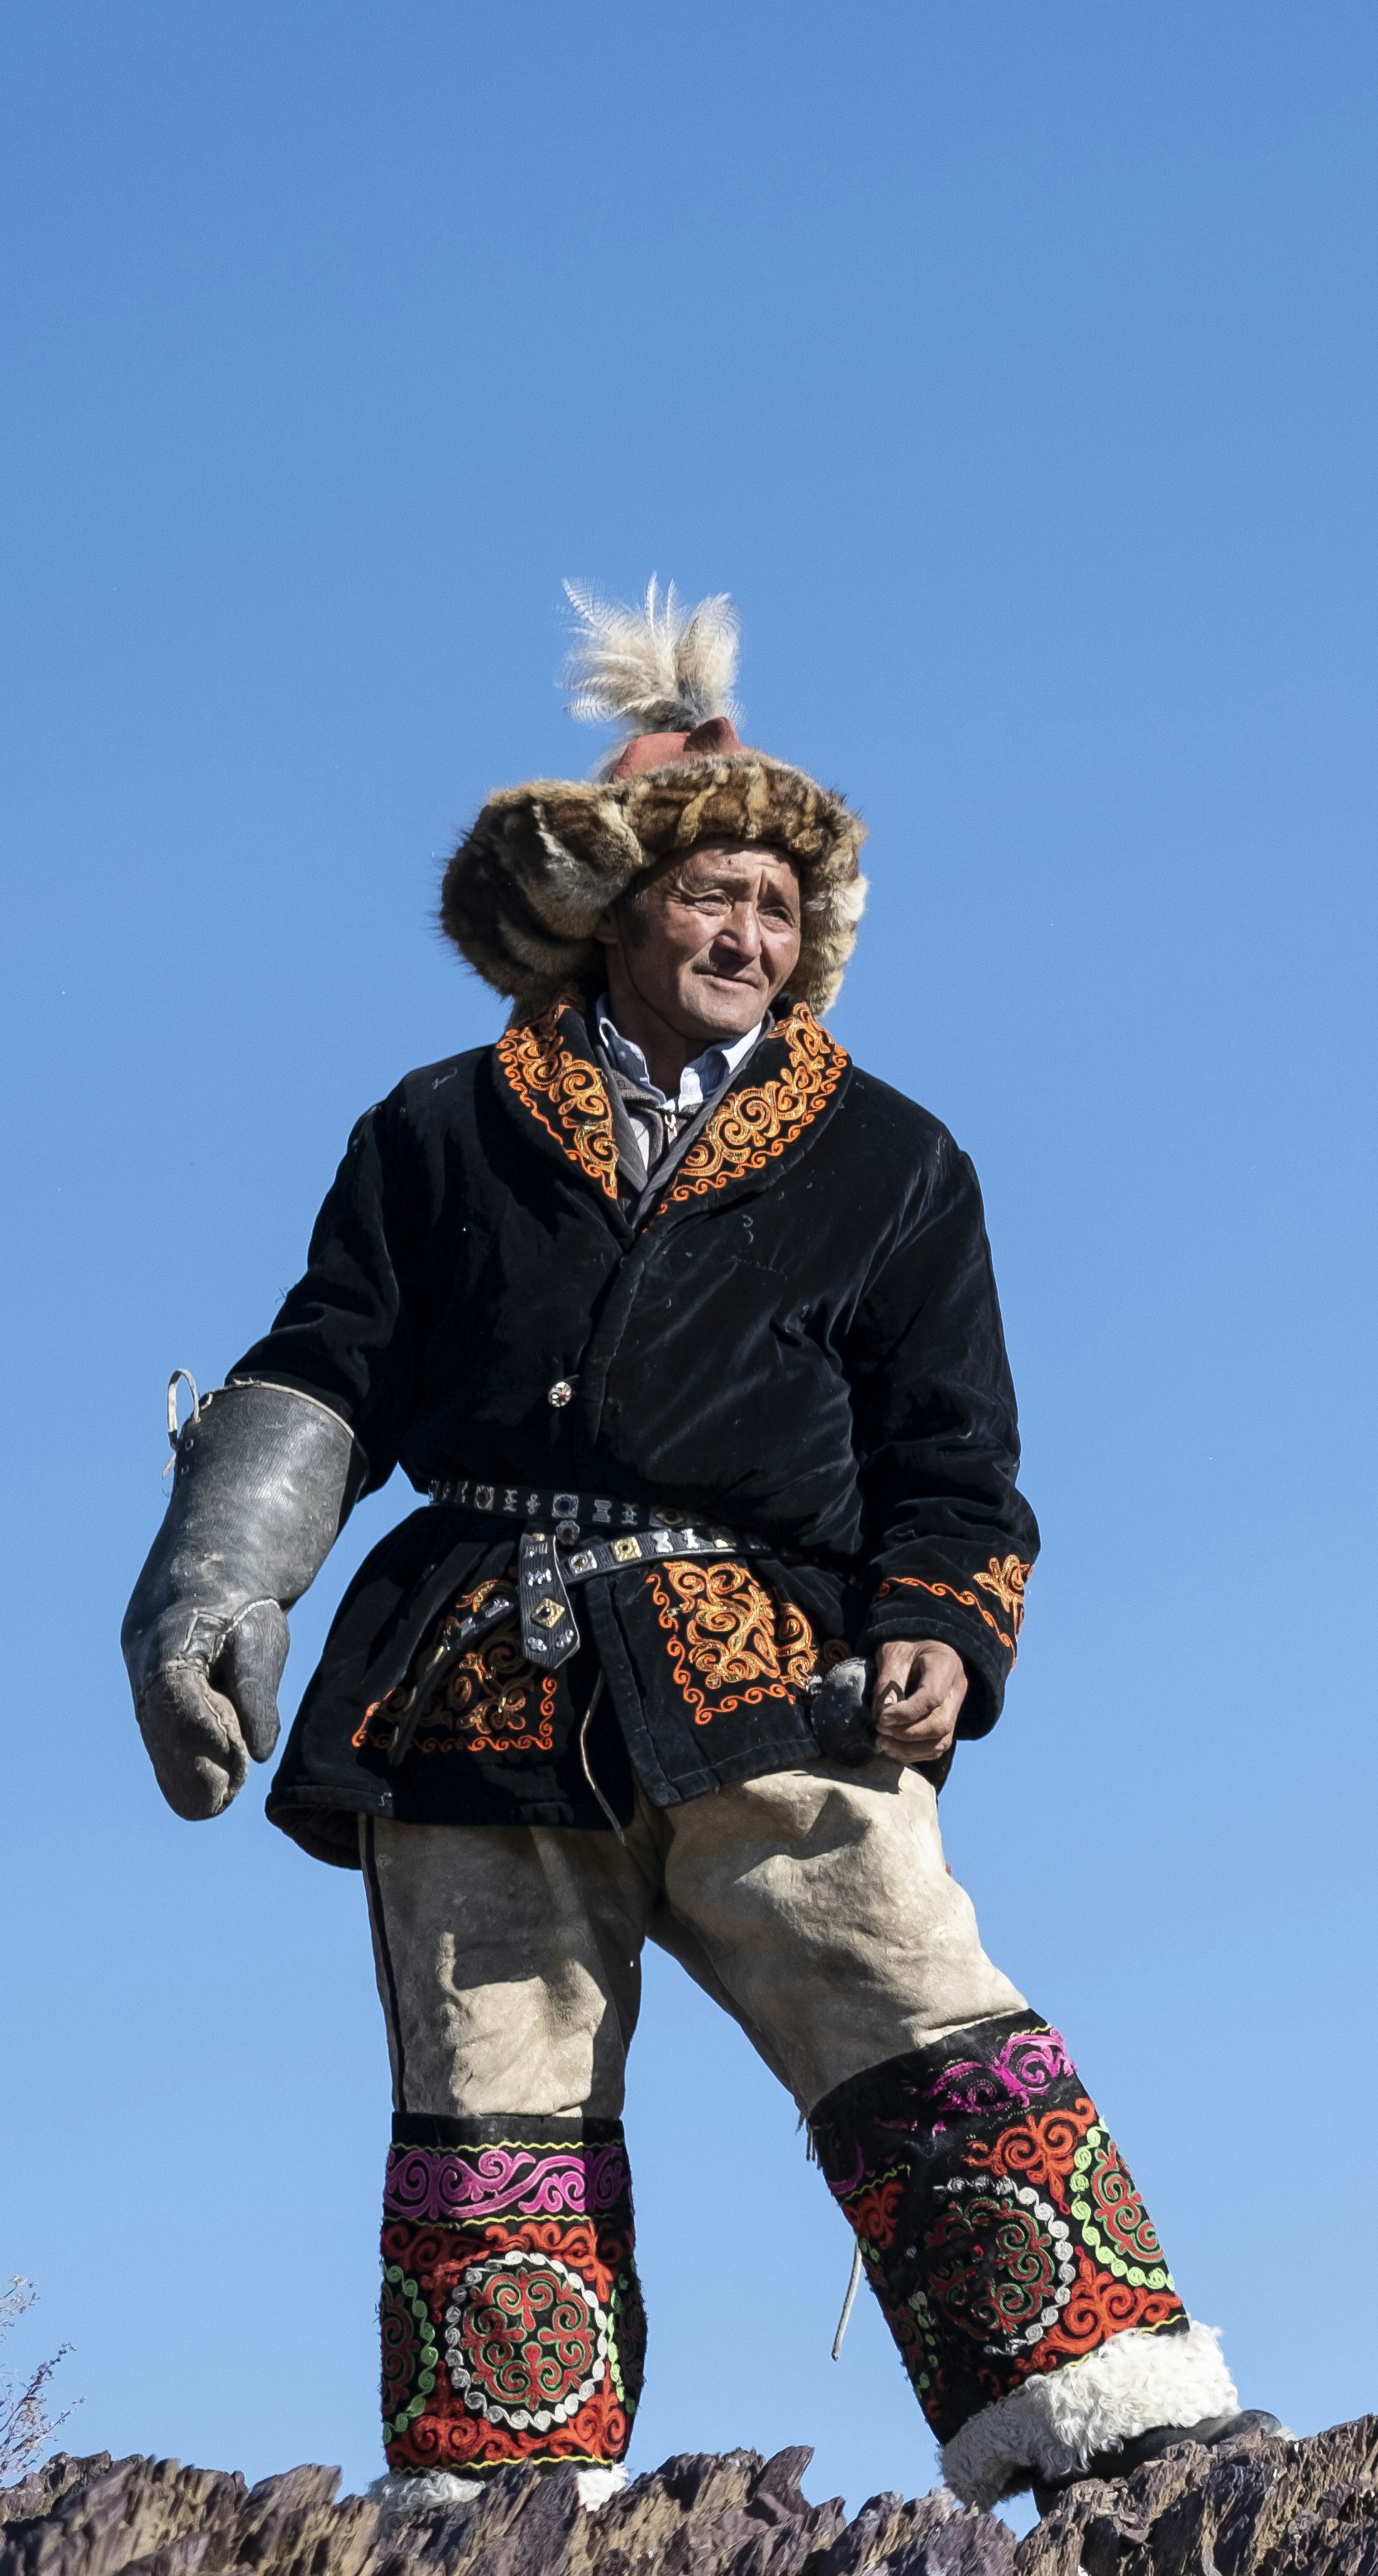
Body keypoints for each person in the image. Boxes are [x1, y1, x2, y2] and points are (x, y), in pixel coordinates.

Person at [119, 586, 1267, 2512]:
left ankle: (1116, 2432)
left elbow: (955, 1450)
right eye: (712, 895)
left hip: (771, 1668)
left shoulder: (896, 1159)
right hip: (474, 1671)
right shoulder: (437, 1131)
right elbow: (325, 1368)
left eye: (780, 908)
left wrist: (943, 1627)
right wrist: (215, 1581)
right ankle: (499, 2507)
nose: (751, 934)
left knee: (910, 2001)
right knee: (498, 2087)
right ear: (608, 911)